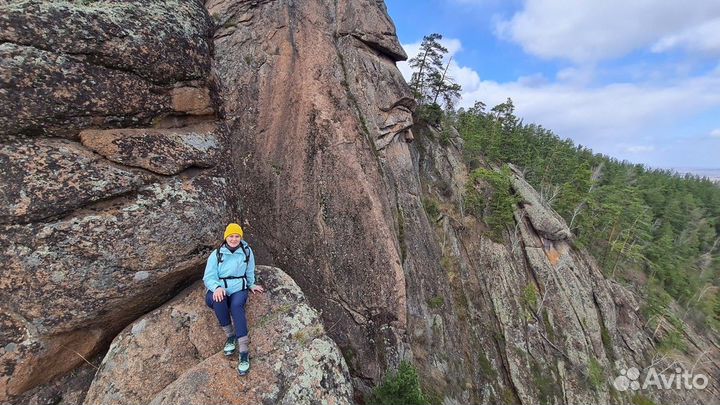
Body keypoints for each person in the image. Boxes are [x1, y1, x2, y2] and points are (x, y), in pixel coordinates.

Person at [203, 223, 265, 376]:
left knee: (237, 306)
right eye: (231, 236)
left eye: (237, 236)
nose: (234, 239)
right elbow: (208, 276)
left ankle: (243, 351)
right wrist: (216, 288)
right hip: (220, 288)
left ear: (240, 237)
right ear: (226, 237)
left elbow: (250, 270)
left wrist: (251, 284)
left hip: (238, 287)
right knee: (218, 300)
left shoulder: (246, 251)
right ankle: (230, 336)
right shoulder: (217, 254)